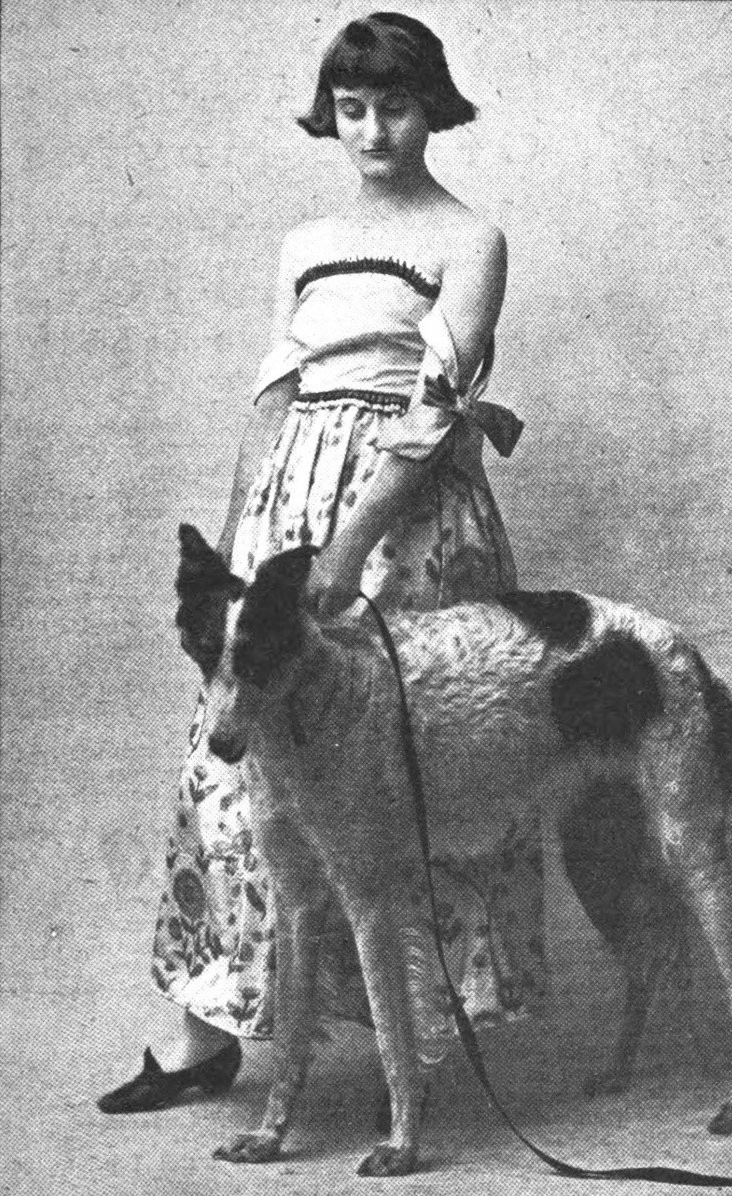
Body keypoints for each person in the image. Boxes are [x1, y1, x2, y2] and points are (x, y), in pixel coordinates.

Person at [98, 11, 546, 1115]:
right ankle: (206, 1037)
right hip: (288, 508)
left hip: (405, 519)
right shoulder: (304, 242)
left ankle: (417, 1051)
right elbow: (276, 394)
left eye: (395, 106)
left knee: (404, 766)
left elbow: (433, 414)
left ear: (432, 108)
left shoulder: (470, 239)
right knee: (235, 764)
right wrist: (238, 546)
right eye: (352, 109)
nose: (374, 130)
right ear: (330, 115)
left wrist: (345, 556)